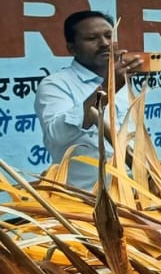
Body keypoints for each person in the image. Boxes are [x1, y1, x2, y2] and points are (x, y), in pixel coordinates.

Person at [34, 11, 145, 191]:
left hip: (135, 193)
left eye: (109, 36)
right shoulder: (55, 85)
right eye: (92, 38)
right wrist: (108, 89)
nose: (105, 44)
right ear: (72, 48)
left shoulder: (122, 81)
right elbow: (57, 135)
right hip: (86, 199)